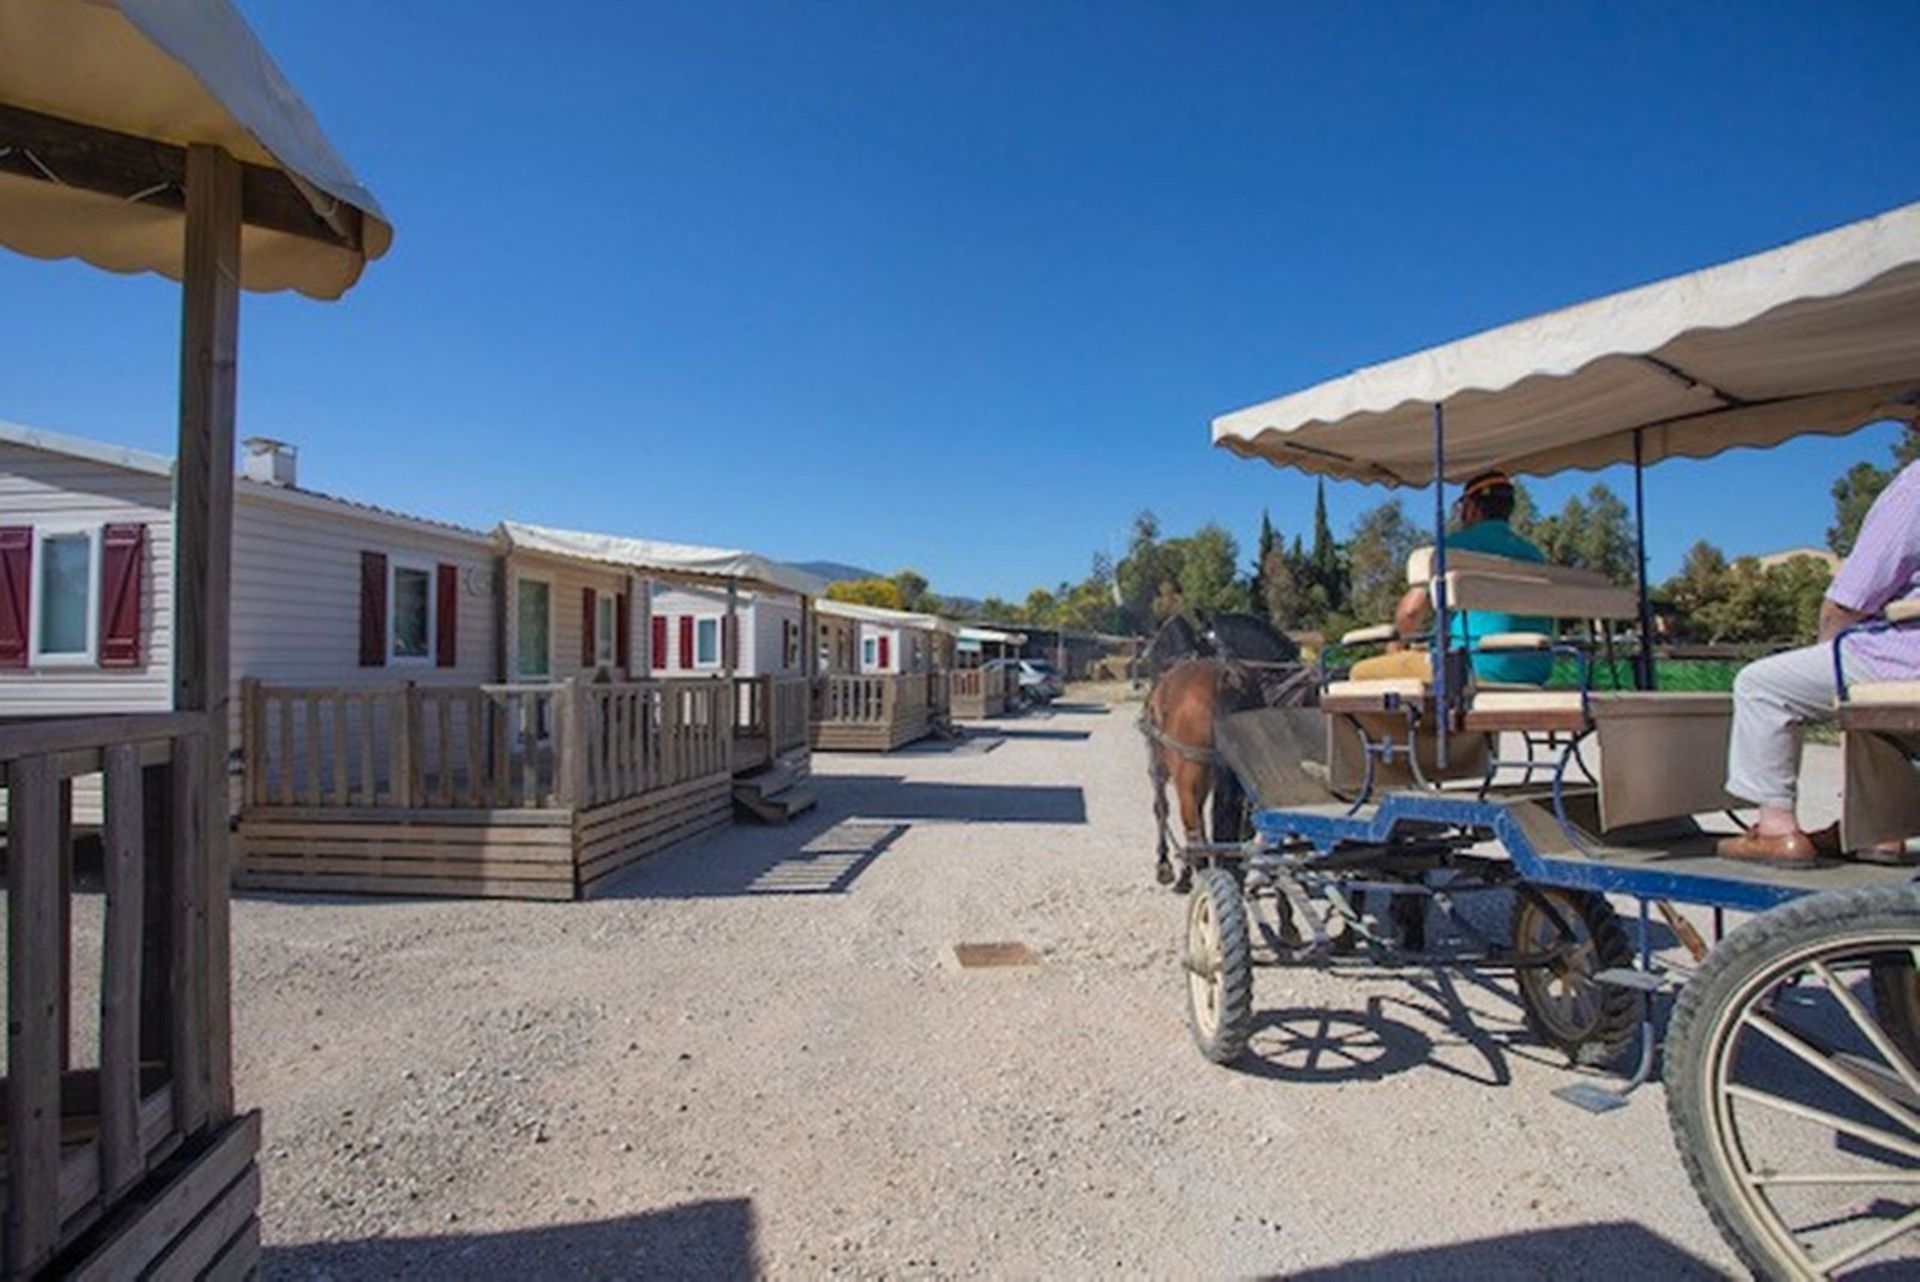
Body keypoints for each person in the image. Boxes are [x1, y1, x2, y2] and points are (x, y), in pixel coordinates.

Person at [1719, 435, 1920, 865]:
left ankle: (1776, 831)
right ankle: (1876, 831)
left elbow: (1849, 600)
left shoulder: (1915, 486)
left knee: (1761, 684)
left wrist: (1827, 649)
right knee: (1855, 684)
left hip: (1910, 657)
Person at [1349, 469, 1555, 686]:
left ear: (1471, 508)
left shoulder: (1451, 549)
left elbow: (1411, 612)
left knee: (1361, 673)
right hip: (1534, 671)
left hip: (1472, 668)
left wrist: (1395, 649)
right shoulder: (1534, 555)